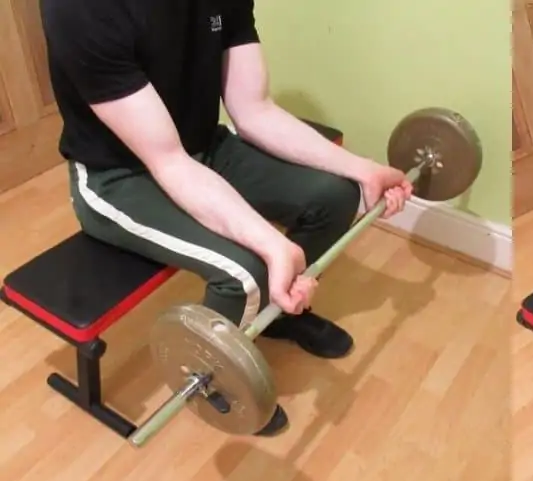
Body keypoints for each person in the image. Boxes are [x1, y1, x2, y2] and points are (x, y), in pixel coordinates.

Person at [40, 0, 414, 437]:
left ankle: (279, 313)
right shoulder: (80, 8)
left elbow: (255, 111)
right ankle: (210, 377)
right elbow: (169, 162)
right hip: (117, 177)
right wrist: (273, 246)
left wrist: (362, 168)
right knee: (244, 269)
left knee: (333, 196)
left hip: (203, 149)